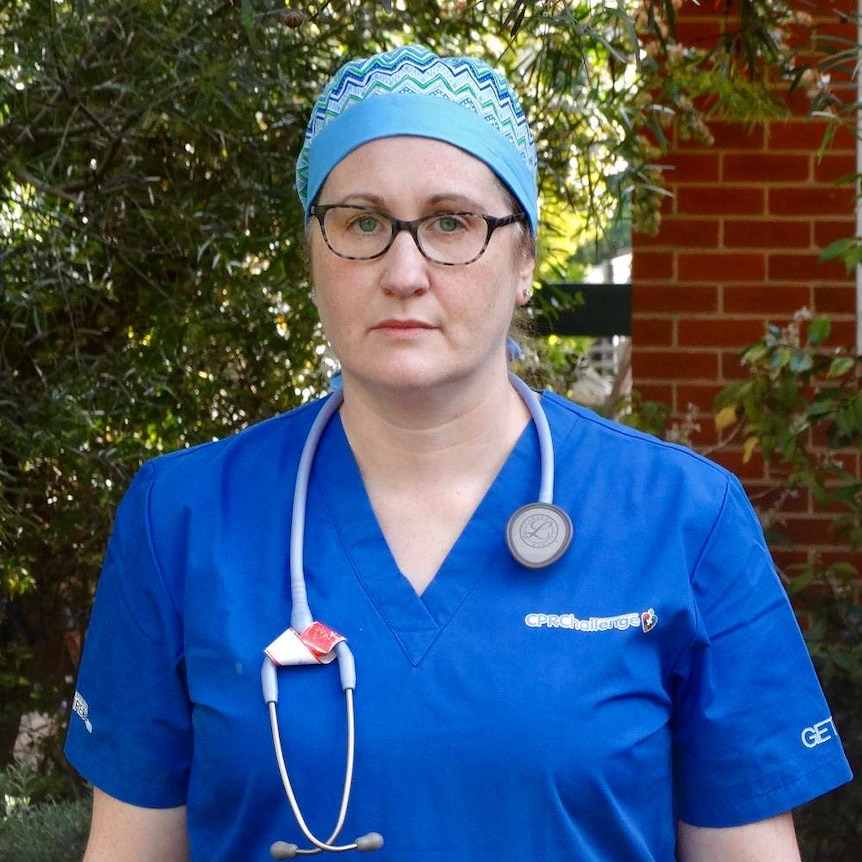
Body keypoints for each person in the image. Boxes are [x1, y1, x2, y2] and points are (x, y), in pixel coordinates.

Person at [65, 44, 851, 862]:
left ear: (524, 261)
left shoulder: (685, 520)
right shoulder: (182, 519)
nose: (404, 270)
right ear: (313, 255)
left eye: (451, 223)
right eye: (362, 222)